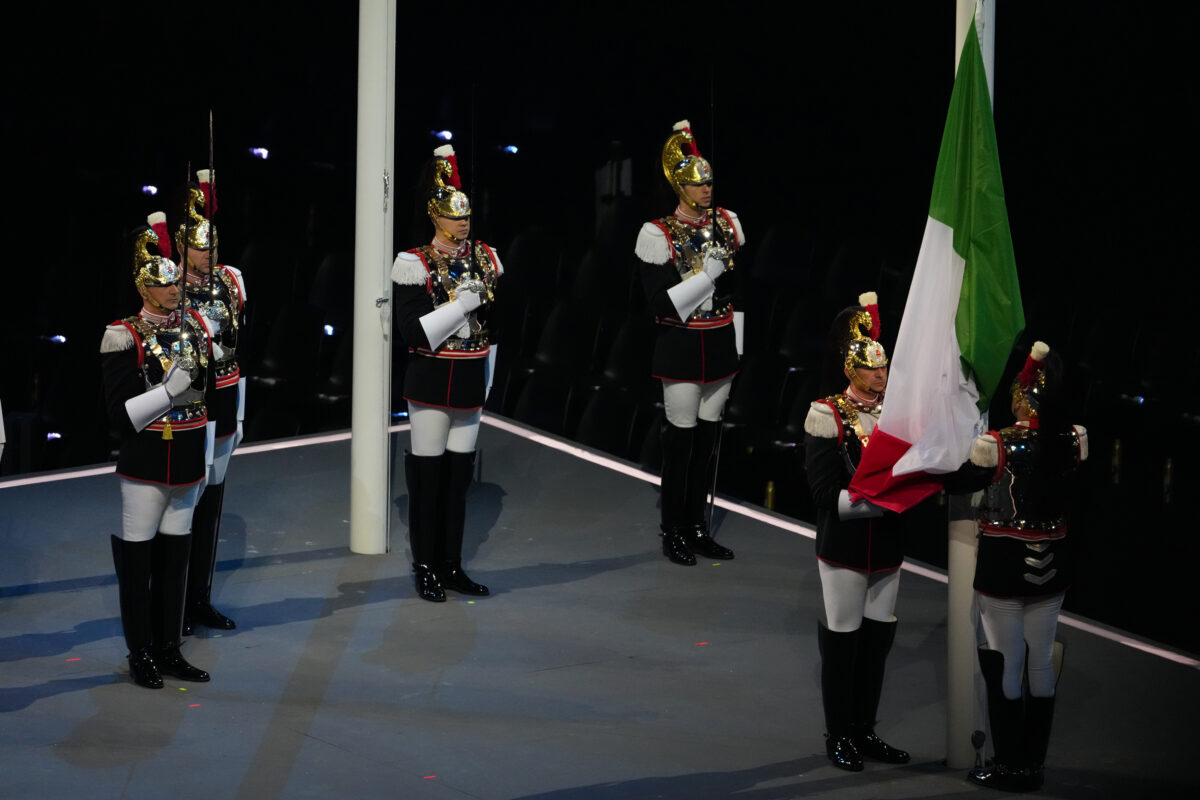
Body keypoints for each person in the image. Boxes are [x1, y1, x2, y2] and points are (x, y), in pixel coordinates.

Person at [944, 341, 1086, 792]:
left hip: (1005, 565)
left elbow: (956, 479)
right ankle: (1033, 765)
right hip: (1054, 565)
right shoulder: (1073, 440)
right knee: (1040, 663)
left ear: (1023, 397)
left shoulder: (996, 445)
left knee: (1007, 663)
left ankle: (1008, 765)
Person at [100, 213, 213, 688]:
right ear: (143, 287)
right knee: (139, 560)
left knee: (175, 559)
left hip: (187, 456)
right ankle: (140, 651)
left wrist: (205, 457)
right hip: (146, 462)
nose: (173, 291)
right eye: (163, 285)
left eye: (174, 285)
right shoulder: (123, 335)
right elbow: (120, 414)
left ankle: (169, 646)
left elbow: (208, 399)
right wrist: (168, 393)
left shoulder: (195, 326)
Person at [803, 292, 910, 771]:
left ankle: (865, 730)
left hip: (887, 545)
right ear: (852, 368)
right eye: (873, 369)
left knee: (877, 643)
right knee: (843, 642)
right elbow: (824, 490)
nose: (881, 376)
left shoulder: (898, 414)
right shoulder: (827, 414)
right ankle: (839, 734)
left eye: (885, 368)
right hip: (844, 545)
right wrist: (878, 502)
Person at [391, 144, 500, 602]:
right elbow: (414, 334)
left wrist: (488, 378)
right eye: (454, 216)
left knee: (459, 482)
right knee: (428, 478)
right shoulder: (413, 263)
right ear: (435, 215)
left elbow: (493, 330)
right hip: (432, 381)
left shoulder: (487, 258)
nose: (463, 222)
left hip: (471, 377)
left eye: (467, 215)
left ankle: (451, 563)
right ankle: (425, 566)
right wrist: (461, 306)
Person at [634, 119, 744, 566]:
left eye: (710, 183)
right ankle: (673, 528)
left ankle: (697, 525)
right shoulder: (657, 233)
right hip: (681, 347)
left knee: (708, 444)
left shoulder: (728, 224)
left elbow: (742, 292)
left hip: (719, 345)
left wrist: (738, 345)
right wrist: (706, 278)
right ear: (680, 186)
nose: (706, 190)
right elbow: (662, 306)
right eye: (698, 184)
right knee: (680, 444)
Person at [178, 169, 246, 635]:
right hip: (188, 403)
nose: (211, 252)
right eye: (203, 246)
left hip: (226, 397)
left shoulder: (232, 281)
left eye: (214, 244)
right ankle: (173, 602)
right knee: (185, 502)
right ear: (182, 248)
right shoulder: (170, 289)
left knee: (213, 501)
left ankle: (199, 596)